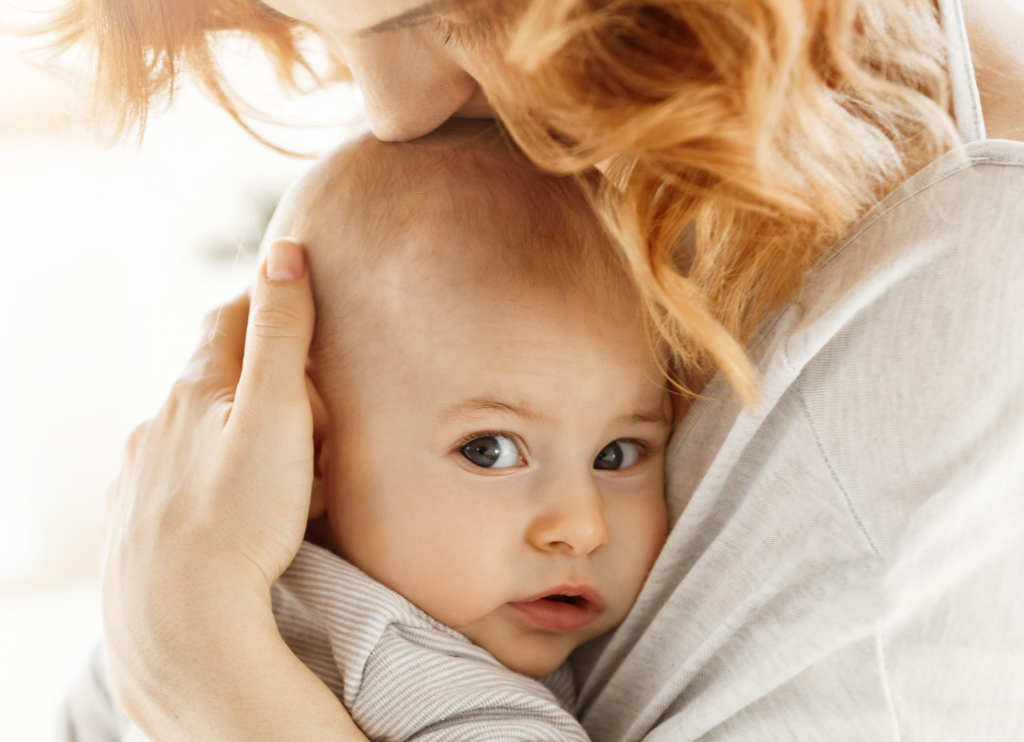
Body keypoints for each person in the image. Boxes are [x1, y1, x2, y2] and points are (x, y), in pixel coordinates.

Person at [48, 0, 1024, 740]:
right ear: (306, 438)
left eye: (619, 452)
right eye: (488, 446)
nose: (387, 113)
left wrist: (201, 664)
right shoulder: (389, 636)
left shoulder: (948, 283)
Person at [68, 120, 673, 741]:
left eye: (616, 454)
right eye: (489, 451)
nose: (582, 528)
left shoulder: (159, 590)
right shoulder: (471, 710)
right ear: (312, 449)